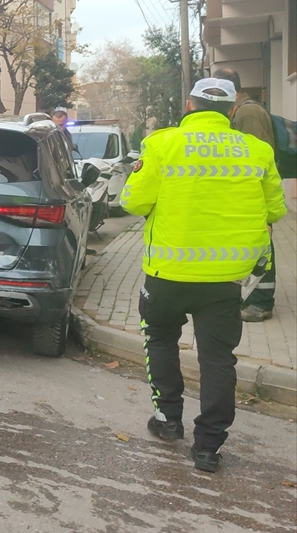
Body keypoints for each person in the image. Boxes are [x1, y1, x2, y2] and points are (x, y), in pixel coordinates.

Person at [120, 77, 286, 473]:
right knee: (218, 359)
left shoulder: (162, 144)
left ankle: (167, 420)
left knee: (160, 340)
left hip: (168, 273)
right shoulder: (257, 151)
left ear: (189, 106)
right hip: (225, 280)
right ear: (232, 110)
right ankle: (208, 446)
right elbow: (276, 210)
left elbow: (133, 201)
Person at [213, 68, 278, 322]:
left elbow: (255, 156)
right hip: (251, 193)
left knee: (261, 248)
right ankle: (252, 297)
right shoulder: (243, 110)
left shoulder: (247, 113)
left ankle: (261, 303)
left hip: (254, 195)